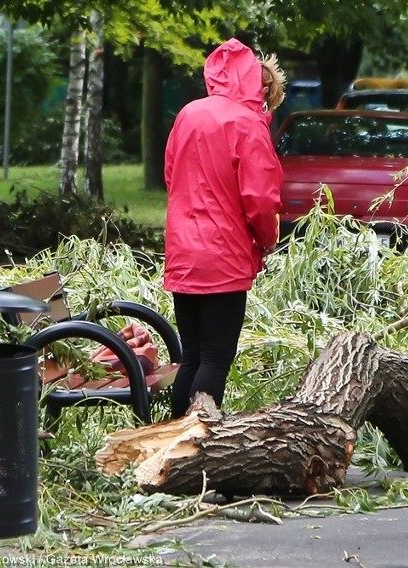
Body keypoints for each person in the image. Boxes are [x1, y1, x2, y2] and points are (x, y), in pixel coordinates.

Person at [163, 38, 286, 418]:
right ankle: (197, 446)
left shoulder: (188, 114)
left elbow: (171, 174)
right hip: (224, 257)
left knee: (191, 357)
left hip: (183, 253)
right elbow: (261, 199)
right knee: (216, 358)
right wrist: (267, 241)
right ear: (259, 88)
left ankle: (169, 436)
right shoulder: (247, 124)